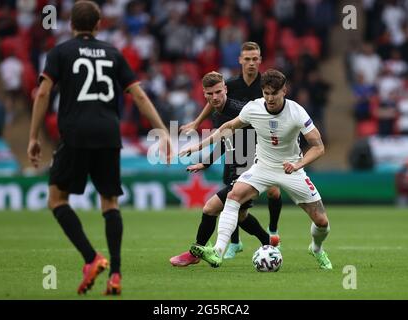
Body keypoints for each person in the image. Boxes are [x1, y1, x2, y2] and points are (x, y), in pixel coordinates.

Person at [27, 1, 172, 295]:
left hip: (76, 133)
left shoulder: (60, 53)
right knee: (110, 203)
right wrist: (163, 131)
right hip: (108, 132)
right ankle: (116, 275)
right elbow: (139, 96)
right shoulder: (113, 53)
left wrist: (34, 136)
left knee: (56, 199)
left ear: (71, 25)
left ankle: (92, 258)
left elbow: (43, 92)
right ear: (98, 25)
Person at [180, 69, 332, 270]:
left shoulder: (297, 112)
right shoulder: (253, 108)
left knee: (321, 221)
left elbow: (319, 147)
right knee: (234, 196)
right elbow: (229, 127)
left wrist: (298, 165)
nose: (269, 98)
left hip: (292, 169)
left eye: (274, 94)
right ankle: (217, 252)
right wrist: (198, 147)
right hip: (263, 167)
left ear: (284, 91)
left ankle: (317, 248)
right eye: (266, 93)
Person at [179, 42, 283, 259]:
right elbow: (223, 125)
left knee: (229, 203)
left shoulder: (263, 87)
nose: (251, 63)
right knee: (240, 210)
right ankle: (251, 242)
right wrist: (198, 128)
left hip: (258, 152)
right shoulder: (228, 91)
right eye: (247, 59)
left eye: (255, 58)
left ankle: (269, 234)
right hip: (235, 150)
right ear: (240, 60)